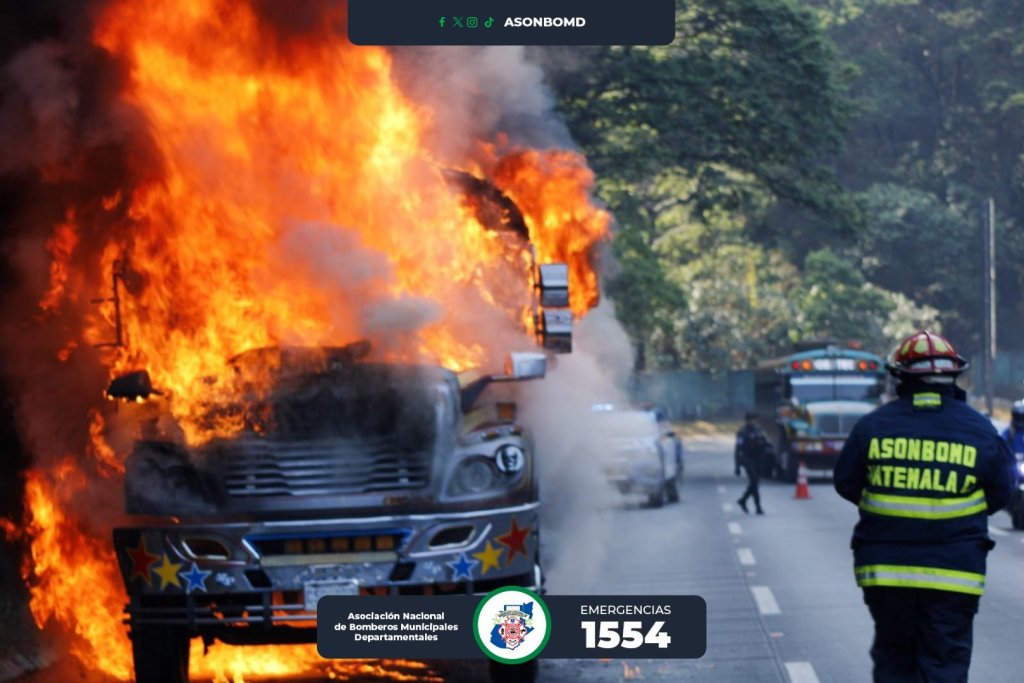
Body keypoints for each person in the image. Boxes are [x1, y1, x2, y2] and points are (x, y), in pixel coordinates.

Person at [834, 331, 1015, 683]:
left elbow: (846, 482)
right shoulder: (980, 430)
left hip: (885, 573)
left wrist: (891, 509)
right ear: (953, 376)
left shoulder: (872, 427)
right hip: (955, 575)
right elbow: (1003, 490)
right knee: (944, 663)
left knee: (896, 660)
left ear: (899, 376)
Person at [735, 411, 770, 514]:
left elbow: (766, 442)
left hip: (758, 459)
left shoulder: (759, 430)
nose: (752, 422)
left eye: (754, 420)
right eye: (750, 420)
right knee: (754, 482)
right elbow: (738, 449)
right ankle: (758, 506)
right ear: (746, 421)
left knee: (755, 484)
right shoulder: (742, 432)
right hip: (748, 459)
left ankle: (743, 500)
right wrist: (737, 466)